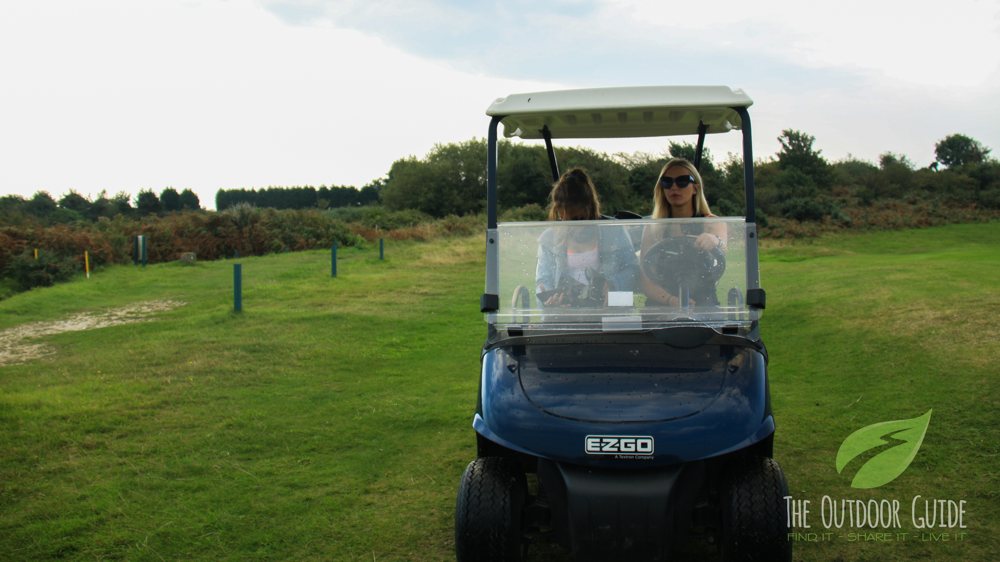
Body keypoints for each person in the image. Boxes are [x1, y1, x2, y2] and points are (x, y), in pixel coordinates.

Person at [535, 168, 637, 307]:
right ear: (559, 211)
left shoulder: (615, 230)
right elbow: (543, 279)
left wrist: (614, 284)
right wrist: (549, 298)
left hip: (609, 309)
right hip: (567, 313)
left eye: (580, 218)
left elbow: (632, 268)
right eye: (569, 219)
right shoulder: (548, 239)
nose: (577, 225)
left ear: (590, 207)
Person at [640, 157, 727, 307]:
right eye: (667, 182)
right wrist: (670, 300)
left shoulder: (711, 223)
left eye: (682, 181)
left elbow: (723, 247)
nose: (674, 187)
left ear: (695, 188)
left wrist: (714, 240)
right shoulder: (654, 227)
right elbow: (644, 277)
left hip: (703, 302)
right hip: (662, 303)